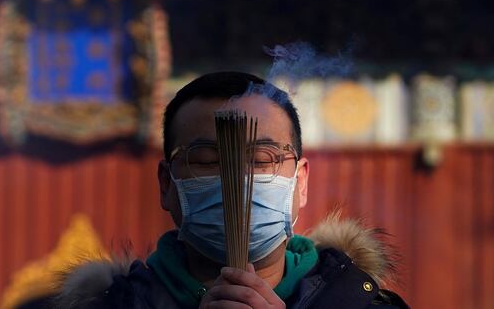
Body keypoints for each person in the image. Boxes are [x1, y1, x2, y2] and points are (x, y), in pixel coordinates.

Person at [57, 72, 409, 308]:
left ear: (301, 183)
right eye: (209, 160)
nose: (238, 181)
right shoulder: (115, 304)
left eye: (261, 159)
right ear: (166, 184)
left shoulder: (359, 302)